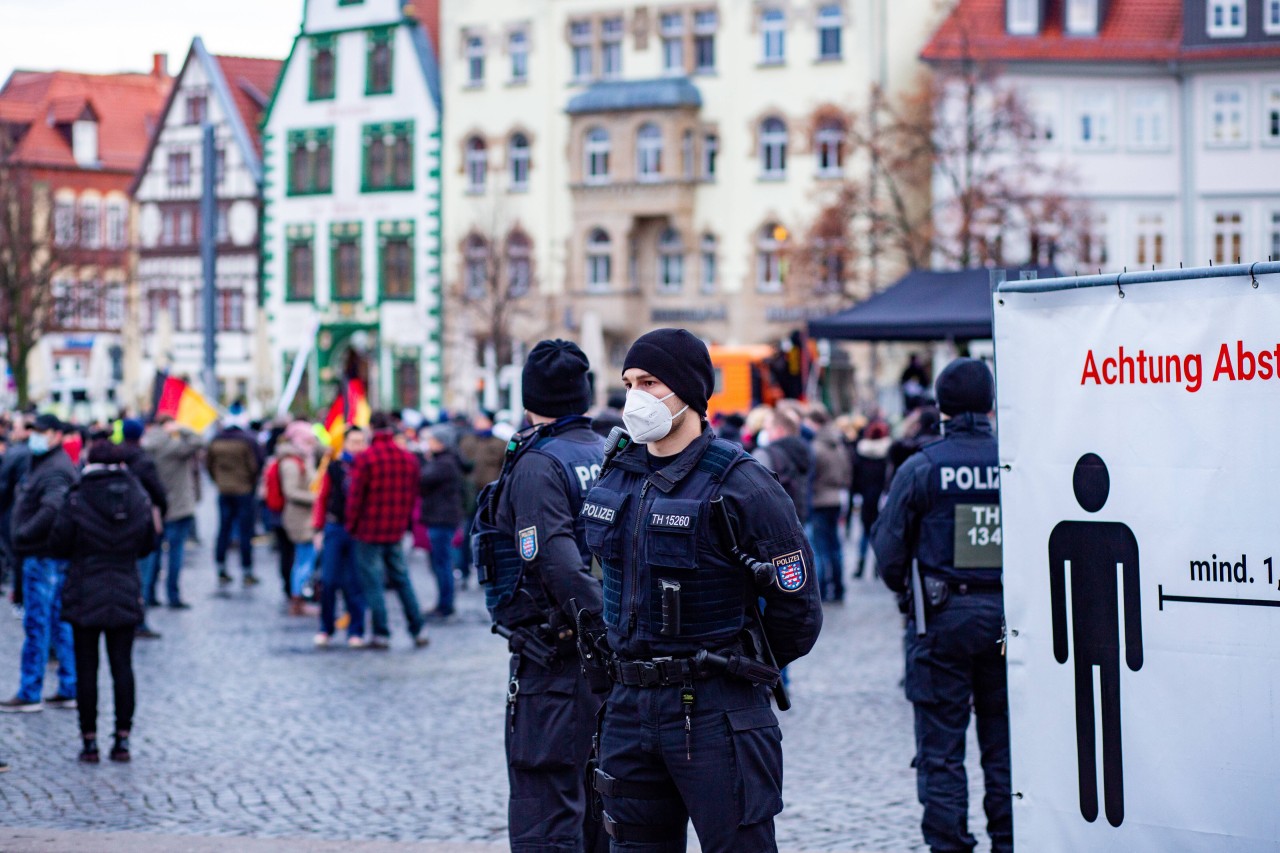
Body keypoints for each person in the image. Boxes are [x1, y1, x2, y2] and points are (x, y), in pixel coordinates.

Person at [581, 328, 823, 852]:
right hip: (628, 707)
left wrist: (734, 667)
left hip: (714, 709)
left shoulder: (744, 484)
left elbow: (798, 611)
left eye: (650, 382)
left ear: (689, 391)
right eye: (628, 384)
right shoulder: (617, 473)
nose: (635, 397)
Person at [870, 358, 1010, 853]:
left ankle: (950, 845)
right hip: (1009, 625)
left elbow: (887, 550)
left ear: (942, 406)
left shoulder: (923, 467)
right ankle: (1009, 841)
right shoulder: (1016, 459)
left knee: (941, 751)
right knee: (1007, 747)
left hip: (940, 620)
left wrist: (908, 594)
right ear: (990, 404)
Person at [476, 339, 607, 853]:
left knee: (546, 807)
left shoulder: (538, 463)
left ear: (530, 398)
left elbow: (554, 563)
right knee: (599, 803)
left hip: (554, 660)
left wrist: (599, 630)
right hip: (599, 663)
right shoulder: (603, 451)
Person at [52, 441, 156, 763]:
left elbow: (59, 542)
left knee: (87, 668)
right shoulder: (138, 497)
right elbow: (148, 542)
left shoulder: (77, 496)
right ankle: (123, 740)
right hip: (124, 584)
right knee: (122, 666)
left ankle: (89, 741)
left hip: (86, 588)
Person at [0, 414, 79, 713]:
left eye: (42, 432)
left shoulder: (55, 468)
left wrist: (23, 533)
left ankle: (31, 690)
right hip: (46, 555)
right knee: (58, 624)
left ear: (57, 435)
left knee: (39, 625)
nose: (36, 436)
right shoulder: (45, 462)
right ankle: (68, 687)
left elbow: (52, 508)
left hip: (43, 555)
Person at [345, 412, 429, 650]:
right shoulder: (408, 458)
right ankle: (418, 628)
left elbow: (355, 498)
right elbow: (413, 493)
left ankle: (382, 633)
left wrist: (352, 526)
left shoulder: (366, 459)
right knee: (402, 579)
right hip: (395, 528)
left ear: (372, 429)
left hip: (369, 529)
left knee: (373, 583)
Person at [140, 416, 204, 608]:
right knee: (175, 554)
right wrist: (182, 428)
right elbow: (199, 441)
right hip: (178, 507)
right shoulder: (173, 447)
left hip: (155, 509)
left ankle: (149, 593)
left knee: (154, 554)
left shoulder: (147, 444)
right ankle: (173, 595)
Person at [312, 427, 367, 648]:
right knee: (328, 580)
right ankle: (326, 628)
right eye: (354, 441)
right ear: (345, 443)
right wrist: (318, 528)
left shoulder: (367, 467)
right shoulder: (334, 467)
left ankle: (356, 630)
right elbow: (322, 497)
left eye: (361, 442)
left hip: (358, 530)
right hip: (335, 526)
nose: (357, 446)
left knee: (355, 582)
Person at [118, 419, 167, 639]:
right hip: (142, 524)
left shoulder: (117, 458)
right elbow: (158, 492)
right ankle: (139, 620)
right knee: (143, 575)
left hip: (119, 524)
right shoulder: (143, 460)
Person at [206, 416, 262, 586]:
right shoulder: (247, 441)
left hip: (224, 490)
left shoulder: (216, 441)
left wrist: (219, 481)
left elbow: (209, 465)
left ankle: (221, 567)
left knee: (224, 529)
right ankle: (247, 571)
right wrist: (250, 483)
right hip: (244, 490)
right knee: (245, 532)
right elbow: (255, 465)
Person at [418, 423, 464, 620]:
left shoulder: (444, 463)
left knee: (442, 563)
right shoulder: (445, 461)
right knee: (440, 562)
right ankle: (444, 602)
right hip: (441, 517)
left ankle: (445, 604)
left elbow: (423, 480)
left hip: (441, 518)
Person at [457, 411, 506, 587]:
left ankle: (489, 571)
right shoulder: (466, 441)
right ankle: (462, 571)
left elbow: (505, 469)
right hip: (468, 497)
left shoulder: (501, 444)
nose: (478, 423)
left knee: (489, 536)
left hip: (491, 498)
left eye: (482, 420)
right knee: (464, 537)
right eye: (477, 420)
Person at [808, 409, 851, 602]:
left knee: (821, 547)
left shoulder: (816, 447)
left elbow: (811, 477)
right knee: (836, 546)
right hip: (836, 498)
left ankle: (823, 589)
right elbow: (847, 473)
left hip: (819, 500)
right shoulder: (838, 445)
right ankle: (839, 586)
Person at [277, 420, 318, 616]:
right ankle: (298, 598)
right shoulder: (291, 463)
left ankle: (299, 596)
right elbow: (291, 491)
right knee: (304, 560)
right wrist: (316, 499)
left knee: (304, 558)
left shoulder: (303, 458)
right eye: (308, 440)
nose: (311, 443)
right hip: (299, 518)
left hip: (305, 517)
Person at [852, 419, 891, 579]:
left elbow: (855, 479)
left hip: (866, 498)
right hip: (882, 499)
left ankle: (860, 565)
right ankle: (878, 567)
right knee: (879, 534)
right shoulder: (887, 454)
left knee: (864, 534)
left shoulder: (861, 452)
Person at [0, 414, 31, 612]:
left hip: (13, 512)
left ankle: (19, 596)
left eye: (17, 426)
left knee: (16, 555)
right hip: (18, 511)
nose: (13, 430)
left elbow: (3, 486)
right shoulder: (25, 452)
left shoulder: (16, 453)